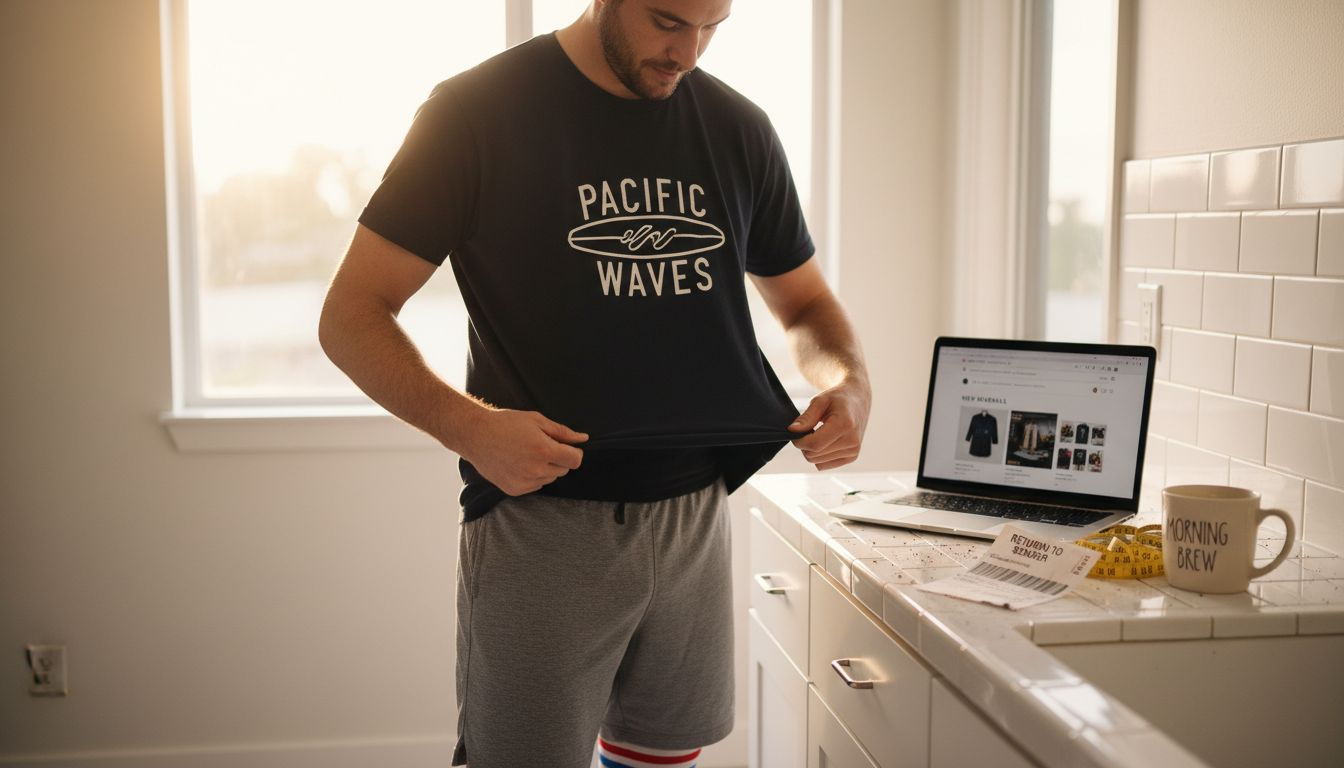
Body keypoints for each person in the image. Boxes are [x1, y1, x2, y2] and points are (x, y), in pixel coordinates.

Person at [318, 1, 870, 765]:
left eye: (712, 27)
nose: (689, 53)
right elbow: (351, 315)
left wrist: (849, 383)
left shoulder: (739, 128)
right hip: (542, 520)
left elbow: (804, 304)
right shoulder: (474, 113)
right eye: (668, 21)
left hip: (696, 517)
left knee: (661, 756)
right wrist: (472, 429)